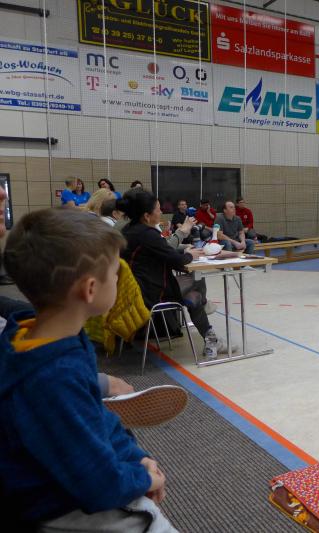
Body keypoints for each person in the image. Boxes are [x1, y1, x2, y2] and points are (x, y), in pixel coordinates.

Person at [0, 208, 176, 531]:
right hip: (57, 506)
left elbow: (98, 418)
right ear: (90, 289)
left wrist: (137, 457)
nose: (119, 279)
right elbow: (97, 483)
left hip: (74, 482)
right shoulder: (52, 378)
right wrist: (143, 478)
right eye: (115, 272)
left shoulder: (40, 336)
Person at [119, 189, 230, 359]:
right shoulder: (147, 234)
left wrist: (184, 251)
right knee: (197, 280)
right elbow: (176, 260)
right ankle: (207, 311)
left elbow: (161, 251)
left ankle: (211, 339)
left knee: (193, 297)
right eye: (158, 209)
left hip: (134, 290)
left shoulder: (129, 230)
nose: (161, 212)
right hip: (151, 292)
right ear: (147, 216)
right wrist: (190, 255)